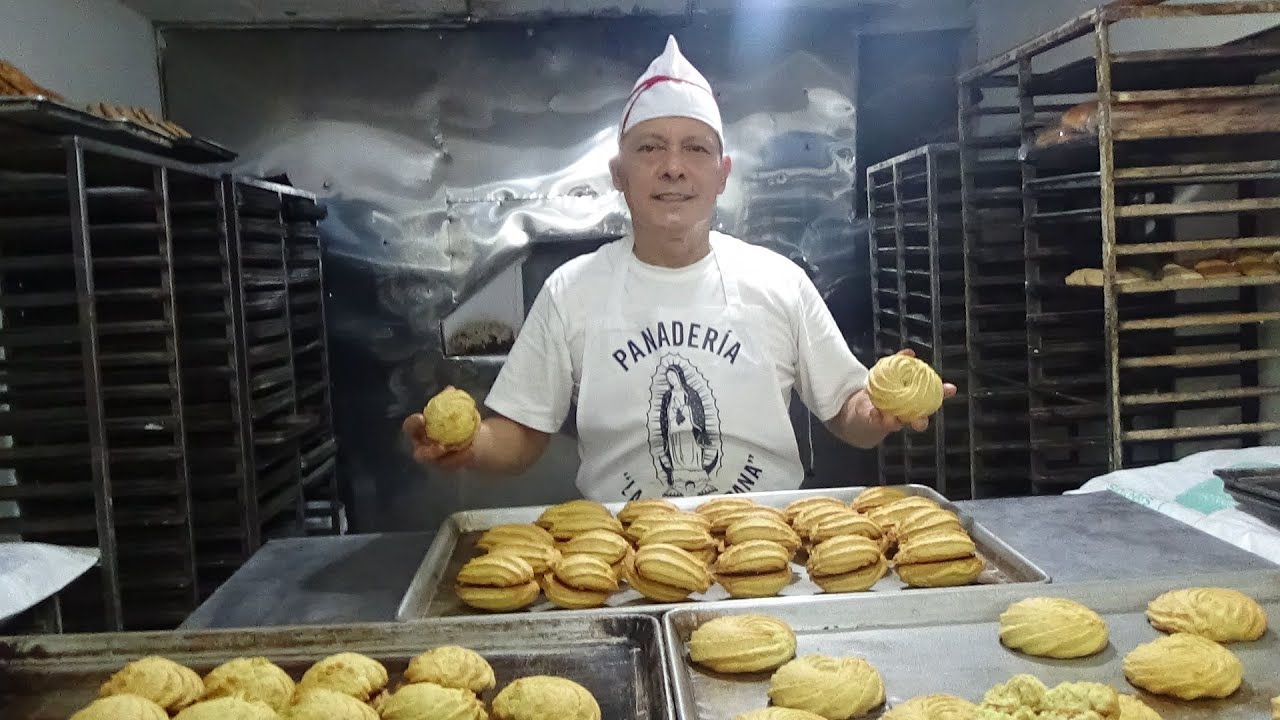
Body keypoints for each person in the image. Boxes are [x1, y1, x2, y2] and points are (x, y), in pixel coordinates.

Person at [404, 36, 956, 501]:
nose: (673, 167)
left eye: (695, 149)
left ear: (722, 173)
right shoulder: (570, 291)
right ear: (618, 173)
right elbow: (522, 434)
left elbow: (847, 414)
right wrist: (470, 446)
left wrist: (878, 412)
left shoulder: (778, 281)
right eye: (650, 148)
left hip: (763, 546)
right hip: (623, 555)